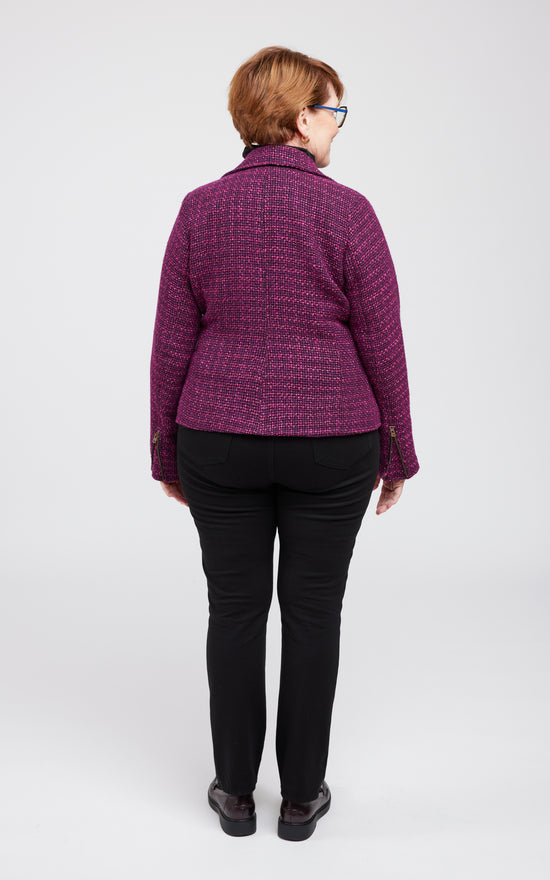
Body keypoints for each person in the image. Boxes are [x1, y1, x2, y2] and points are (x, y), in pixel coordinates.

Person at [149, 45, 420, 841]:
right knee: (313, 612)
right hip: (333, 441)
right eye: (333, 112)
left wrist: (166, 450)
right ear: (301, 119)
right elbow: (383, 342)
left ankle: (234, 795)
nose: (338, 127)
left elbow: (172, 342)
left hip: (218, 437)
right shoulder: (349, 212)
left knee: (234, 611)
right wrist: (397, 451)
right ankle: (301, 799)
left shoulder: (200, 209)